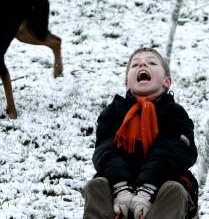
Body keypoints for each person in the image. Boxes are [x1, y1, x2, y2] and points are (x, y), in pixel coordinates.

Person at [83, 47, 198, 219]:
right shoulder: (113, 113)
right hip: (119, 190)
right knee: (97, 185)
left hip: (162, 192)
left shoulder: (175, 113)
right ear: (127, 83)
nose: (143, 64)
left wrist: (147, 188)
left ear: (167, 81)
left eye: (152, 63)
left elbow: (172, 151)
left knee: (174, 190)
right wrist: (121, 188)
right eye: (135, 64)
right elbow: (106, 151)